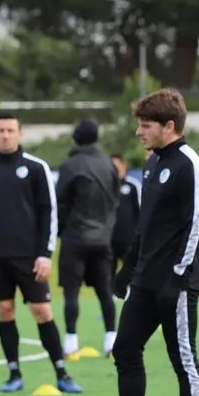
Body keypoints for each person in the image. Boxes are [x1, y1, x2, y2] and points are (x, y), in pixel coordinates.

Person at [86, 88, 199, 396]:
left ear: (168, 126)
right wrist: (127, 270)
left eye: (145, 126)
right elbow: (146, 225)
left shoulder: (190, 163)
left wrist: (180, 274)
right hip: (145, 281)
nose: (139, 132)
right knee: (124, 350)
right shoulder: (153, 164)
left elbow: (196, 224)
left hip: (177, 283)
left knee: (183, 361)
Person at [0, 112, 82, 394]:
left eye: (11, 130)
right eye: (1, 130)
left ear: (20, 134)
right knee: (5, 311)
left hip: (30, 257)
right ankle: (14, 373)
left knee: (41, 311)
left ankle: (61, 372)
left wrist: (45, 254)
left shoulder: (36, 167)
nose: (6, 135)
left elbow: (48, 214)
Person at [56, 119, 121, 359]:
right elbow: (116, 200)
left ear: (75, 139)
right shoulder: (109, 165)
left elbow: (60, 201)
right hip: (103, 238)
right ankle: (111, 340)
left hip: (75, 237)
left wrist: (61, 231)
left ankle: (71, 341)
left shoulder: (71, 165)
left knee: (71, 292)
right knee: (105, 290)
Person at [110, 152, 142, 277]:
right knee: (107, 274)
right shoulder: (105, 187)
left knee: (132, 272)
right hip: (109, 239)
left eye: (117, 166)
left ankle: (132, 296)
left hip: (129, 240)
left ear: (124, 166)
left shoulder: (132, 186)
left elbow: (141, 212)